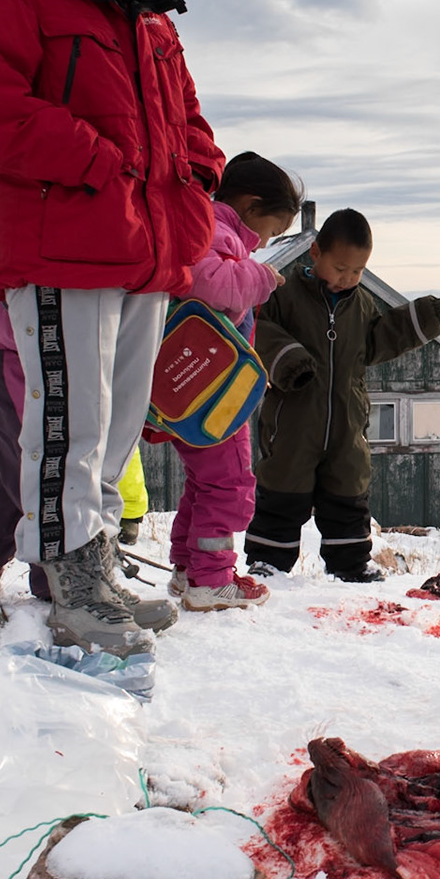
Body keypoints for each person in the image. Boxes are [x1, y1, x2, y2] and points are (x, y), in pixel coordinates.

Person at [0, 0, 223, 655]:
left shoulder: (150, 9)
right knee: (70, 418)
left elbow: (190, 124)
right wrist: (96, 161)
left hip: (149, 250)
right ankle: (68, 580)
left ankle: (91, 565)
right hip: (65, 240)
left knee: (118, 423)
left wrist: (197, 185)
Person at [0, 250, 175, 634]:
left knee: (10, 472)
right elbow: (4, 310)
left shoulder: (64, 239)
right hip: (10, 364)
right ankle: (61, 583)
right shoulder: (20, 242)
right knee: (41, 471)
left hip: (26, 367)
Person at [244, 209, 440, 581]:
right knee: (282, 491)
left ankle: (350, 564)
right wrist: (288, 359)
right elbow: (258, 330)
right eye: (340, 268)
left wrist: (424, 317)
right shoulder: (283, 295)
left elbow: (377, 340)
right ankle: (268, 561)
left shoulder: (362, 305)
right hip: (292, 423)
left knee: (348, 492)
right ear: (315, 253)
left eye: (357, 271)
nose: (348, 278)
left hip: (348, 423)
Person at [163, 154, 303, 610]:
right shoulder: (213, 230)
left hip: (198, 388)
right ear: (250, 206)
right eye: (270, 231)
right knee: (229, 483)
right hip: (212, 390)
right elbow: (207, 280)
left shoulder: (205, 225)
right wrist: (259, 277)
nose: (264, 244)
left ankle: (188, 569)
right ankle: (212, 579)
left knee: (204, 481)